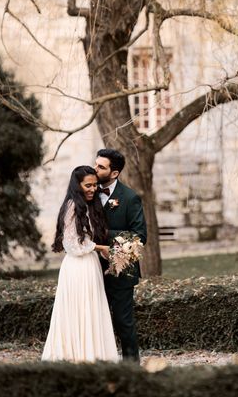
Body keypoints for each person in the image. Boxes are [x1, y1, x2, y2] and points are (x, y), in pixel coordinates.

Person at [41, 166, 119, 362]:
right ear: (77, 186)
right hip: (77, 266)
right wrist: (101, 248)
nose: (93, 189)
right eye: (88, 185)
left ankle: (93, 354)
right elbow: (72, 244)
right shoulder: (71, 206)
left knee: (92, 312)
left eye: (94, 185)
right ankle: (75, 355)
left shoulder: (90, 206)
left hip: (90, 264)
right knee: (77, 311)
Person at [94, 149, 147, 362]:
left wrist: (104, 235)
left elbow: (139, 236)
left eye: (101, 167)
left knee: (123, 321)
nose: (95, 169)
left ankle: (131, 366)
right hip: (92, 268)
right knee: (95, 319)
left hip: (121, 269)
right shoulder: (88, 192)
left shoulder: (130, 197)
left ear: (114, 173)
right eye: (95, 164)